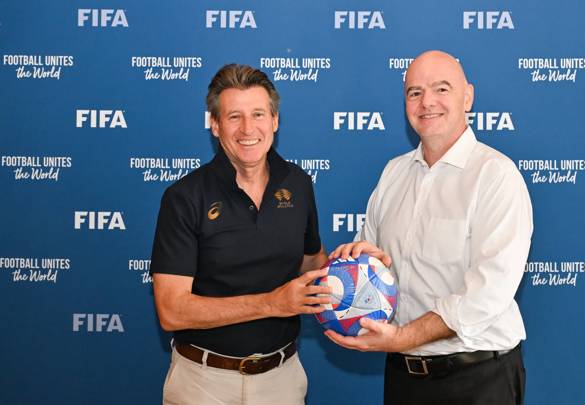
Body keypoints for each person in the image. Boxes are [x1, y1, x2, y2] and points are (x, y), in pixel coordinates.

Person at [326, 50, 533, 405]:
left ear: (468, 96)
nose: (427, 103)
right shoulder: (393, 173)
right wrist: (353, 263)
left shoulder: (496, 176)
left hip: (479, 380)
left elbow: (488, 293)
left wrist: (405, 336)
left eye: (441, 89)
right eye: (414, 92)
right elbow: (370, 256)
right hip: (404, 378)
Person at [150, 64, 331, 405]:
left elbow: (313, 263)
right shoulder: (184, 197)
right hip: (203, 384)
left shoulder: (299, 183)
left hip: (282, 380)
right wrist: (273, 303)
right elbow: (171, 310)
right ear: (215, 125)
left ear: (275, 121)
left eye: (258, 114)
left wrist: (355, 263)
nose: (248, 128)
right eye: (234, 116)